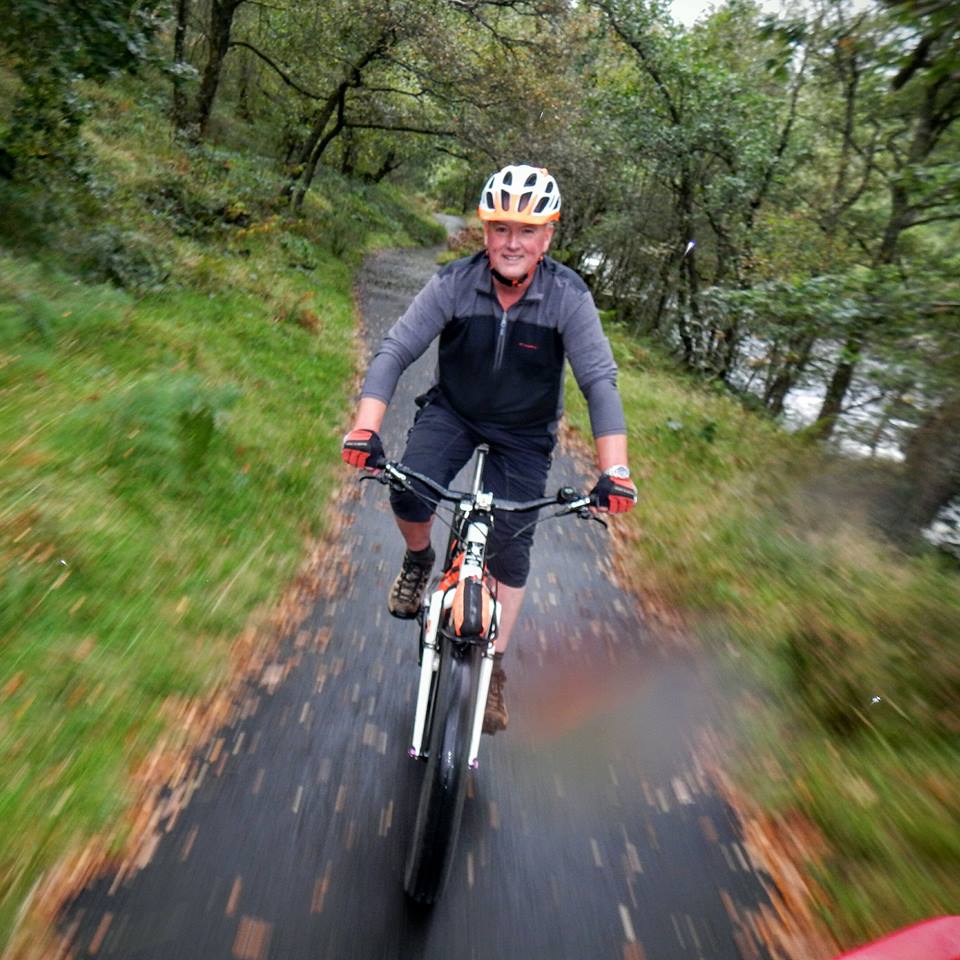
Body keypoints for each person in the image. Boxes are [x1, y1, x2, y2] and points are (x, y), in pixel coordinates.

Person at [341, 163, 636, 734]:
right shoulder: (455, 282)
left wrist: (615, 470)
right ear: (485, 232)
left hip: (524, 434)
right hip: (454, 411)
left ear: (547, 238)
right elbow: (395, 350)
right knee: (410, 492)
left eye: (527, 231)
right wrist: (365, 429)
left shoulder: (567, 296)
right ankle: (420, 559)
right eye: (501, 228)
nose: (512, 243)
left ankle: (493, 666)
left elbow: (599, 382)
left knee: (509, 549)